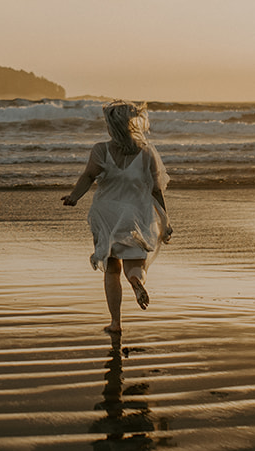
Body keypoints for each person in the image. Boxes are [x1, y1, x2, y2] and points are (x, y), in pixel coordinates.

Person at [62, 101, 173, 334]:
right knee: (135, 265)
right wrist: (166, 221)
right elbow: (156, 190)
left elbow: (88, 176)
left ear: (111, 126)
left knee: (112, 270)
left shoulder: (101, 150)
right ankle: (136, 282)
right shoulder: (146, 153)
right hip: (137, 215)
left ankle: (116, 323)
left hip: (107, 214)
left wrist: (74, 197)